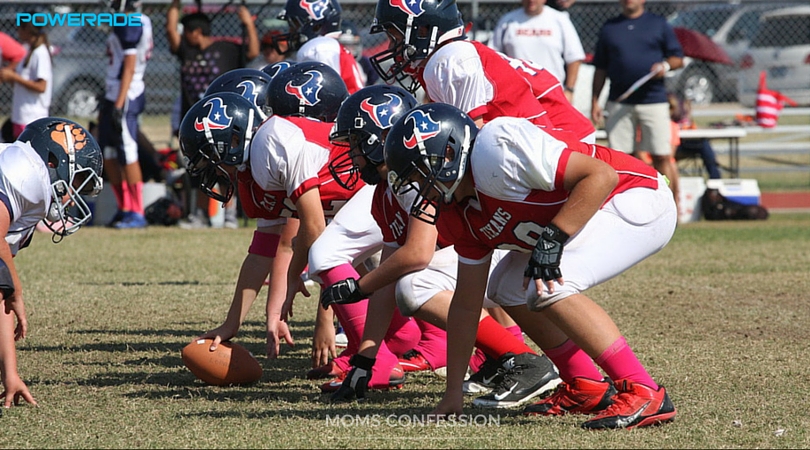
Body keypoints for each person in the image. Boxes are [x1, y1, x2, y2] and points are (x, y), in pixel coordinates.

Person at [384, 103, 677, 429]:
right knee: (506, 286)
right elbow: (466, 305)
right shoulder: (460, 214)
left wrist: (551, 242)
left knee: (550, 282)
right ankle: (584, 384)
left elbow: (601, 175)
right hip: (589, 216)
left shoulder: (495, 149)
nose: (421, 189)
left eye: (421, 174)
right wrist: (453, 391)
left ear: (450, 154)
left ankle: (643, 390)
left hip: (637, 196)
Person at [321, 85, 561, 407]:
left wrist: (359, 287)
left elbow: (417, 253)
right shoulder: (386, 194)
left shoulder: (418, 176)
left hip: (503, 255)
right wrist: (366, 359)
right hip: (483, 259)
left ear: (379, 139)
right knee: (405, 283)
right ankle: (502, 357)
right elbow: (387, 278)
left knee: (413, 286)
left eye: (355, 143)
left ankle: (519, 357)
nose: (352, 153)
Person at [369, 0, 595, 143]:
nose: (390, 47)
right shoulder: (448, 54)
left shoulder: (450, 58)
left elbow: (470, 137)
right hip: (549, 133)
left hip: (561, 138)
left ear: (424, 29)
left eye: (394, 36)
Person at [0, 117, 103, 407]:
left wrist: (11, 375)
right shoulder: (27, 174)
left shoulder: (28, 185)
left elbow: (0, 287)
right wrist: (17, 291)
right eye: (76, 181)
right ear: (54, 161)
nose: (72, 196)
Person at [166, 0, 259, 228]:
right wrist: (175, 5)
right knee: (199, 168)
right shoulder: (187, 51)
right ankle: (199, 214)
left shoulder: (226, 49)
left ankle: (229, 214)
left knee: (227, 166)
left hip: (222, 120)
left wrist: (248, 24)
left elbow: (253, 52)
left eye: (187, 31)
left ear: (198, 32)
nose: (183, 35)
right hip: (195, 121)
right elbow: (170, 30)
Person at [591, 0, 684, 213]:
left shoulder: (658, 24)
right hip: (619, 102)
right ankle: (623, 209)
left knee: (661, 155)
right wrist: (595, 101)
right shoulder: (610, 28)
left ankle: (670, 207)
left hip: (654, 100)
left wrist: (665, 66)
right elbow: (601, 68)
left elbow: (677, 58)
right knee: (620, 159)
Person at [97, 0, 152, 229]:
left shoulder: (130, 22)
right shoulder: (136, 20)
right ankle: (125, 207)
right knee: (109, 152)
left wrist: (119, 102)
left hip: (126, 93)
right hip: (115, 93)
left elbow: (129, 64)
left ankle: (137, 211)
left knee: (128, 151)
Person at [488, 0, 585, 102]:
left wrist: (569, 90)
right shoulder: (508, 21)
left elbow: (574, 57)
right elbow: (493, 56)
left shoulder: (559, 19)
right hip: (517, 96)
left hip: (552, 93)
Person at [277, 0, 366, 94]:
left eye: (295, 24)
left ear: (316, 26)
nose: (291, 30)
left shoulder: (319, 48)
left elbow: (323, 95)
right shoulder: (328, 46)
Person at [0, 19, 51, 141]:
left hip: (32, 117)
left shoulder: (40, 53)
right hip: (21, 115)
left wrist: (14, 77)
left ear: (27, 30)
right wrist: (10, 78)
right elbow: (23, 82)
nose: (17, 32)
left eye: (19, 29)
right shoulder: (29, 51)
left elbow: (41, 86)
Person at [669, 93, 721, 179]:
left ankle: (715, 180)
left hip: (690, 142)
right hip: (675, 145)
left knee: (704, 144)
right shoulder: (669, 119)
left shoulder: (685, 117)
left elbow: (691, 125)